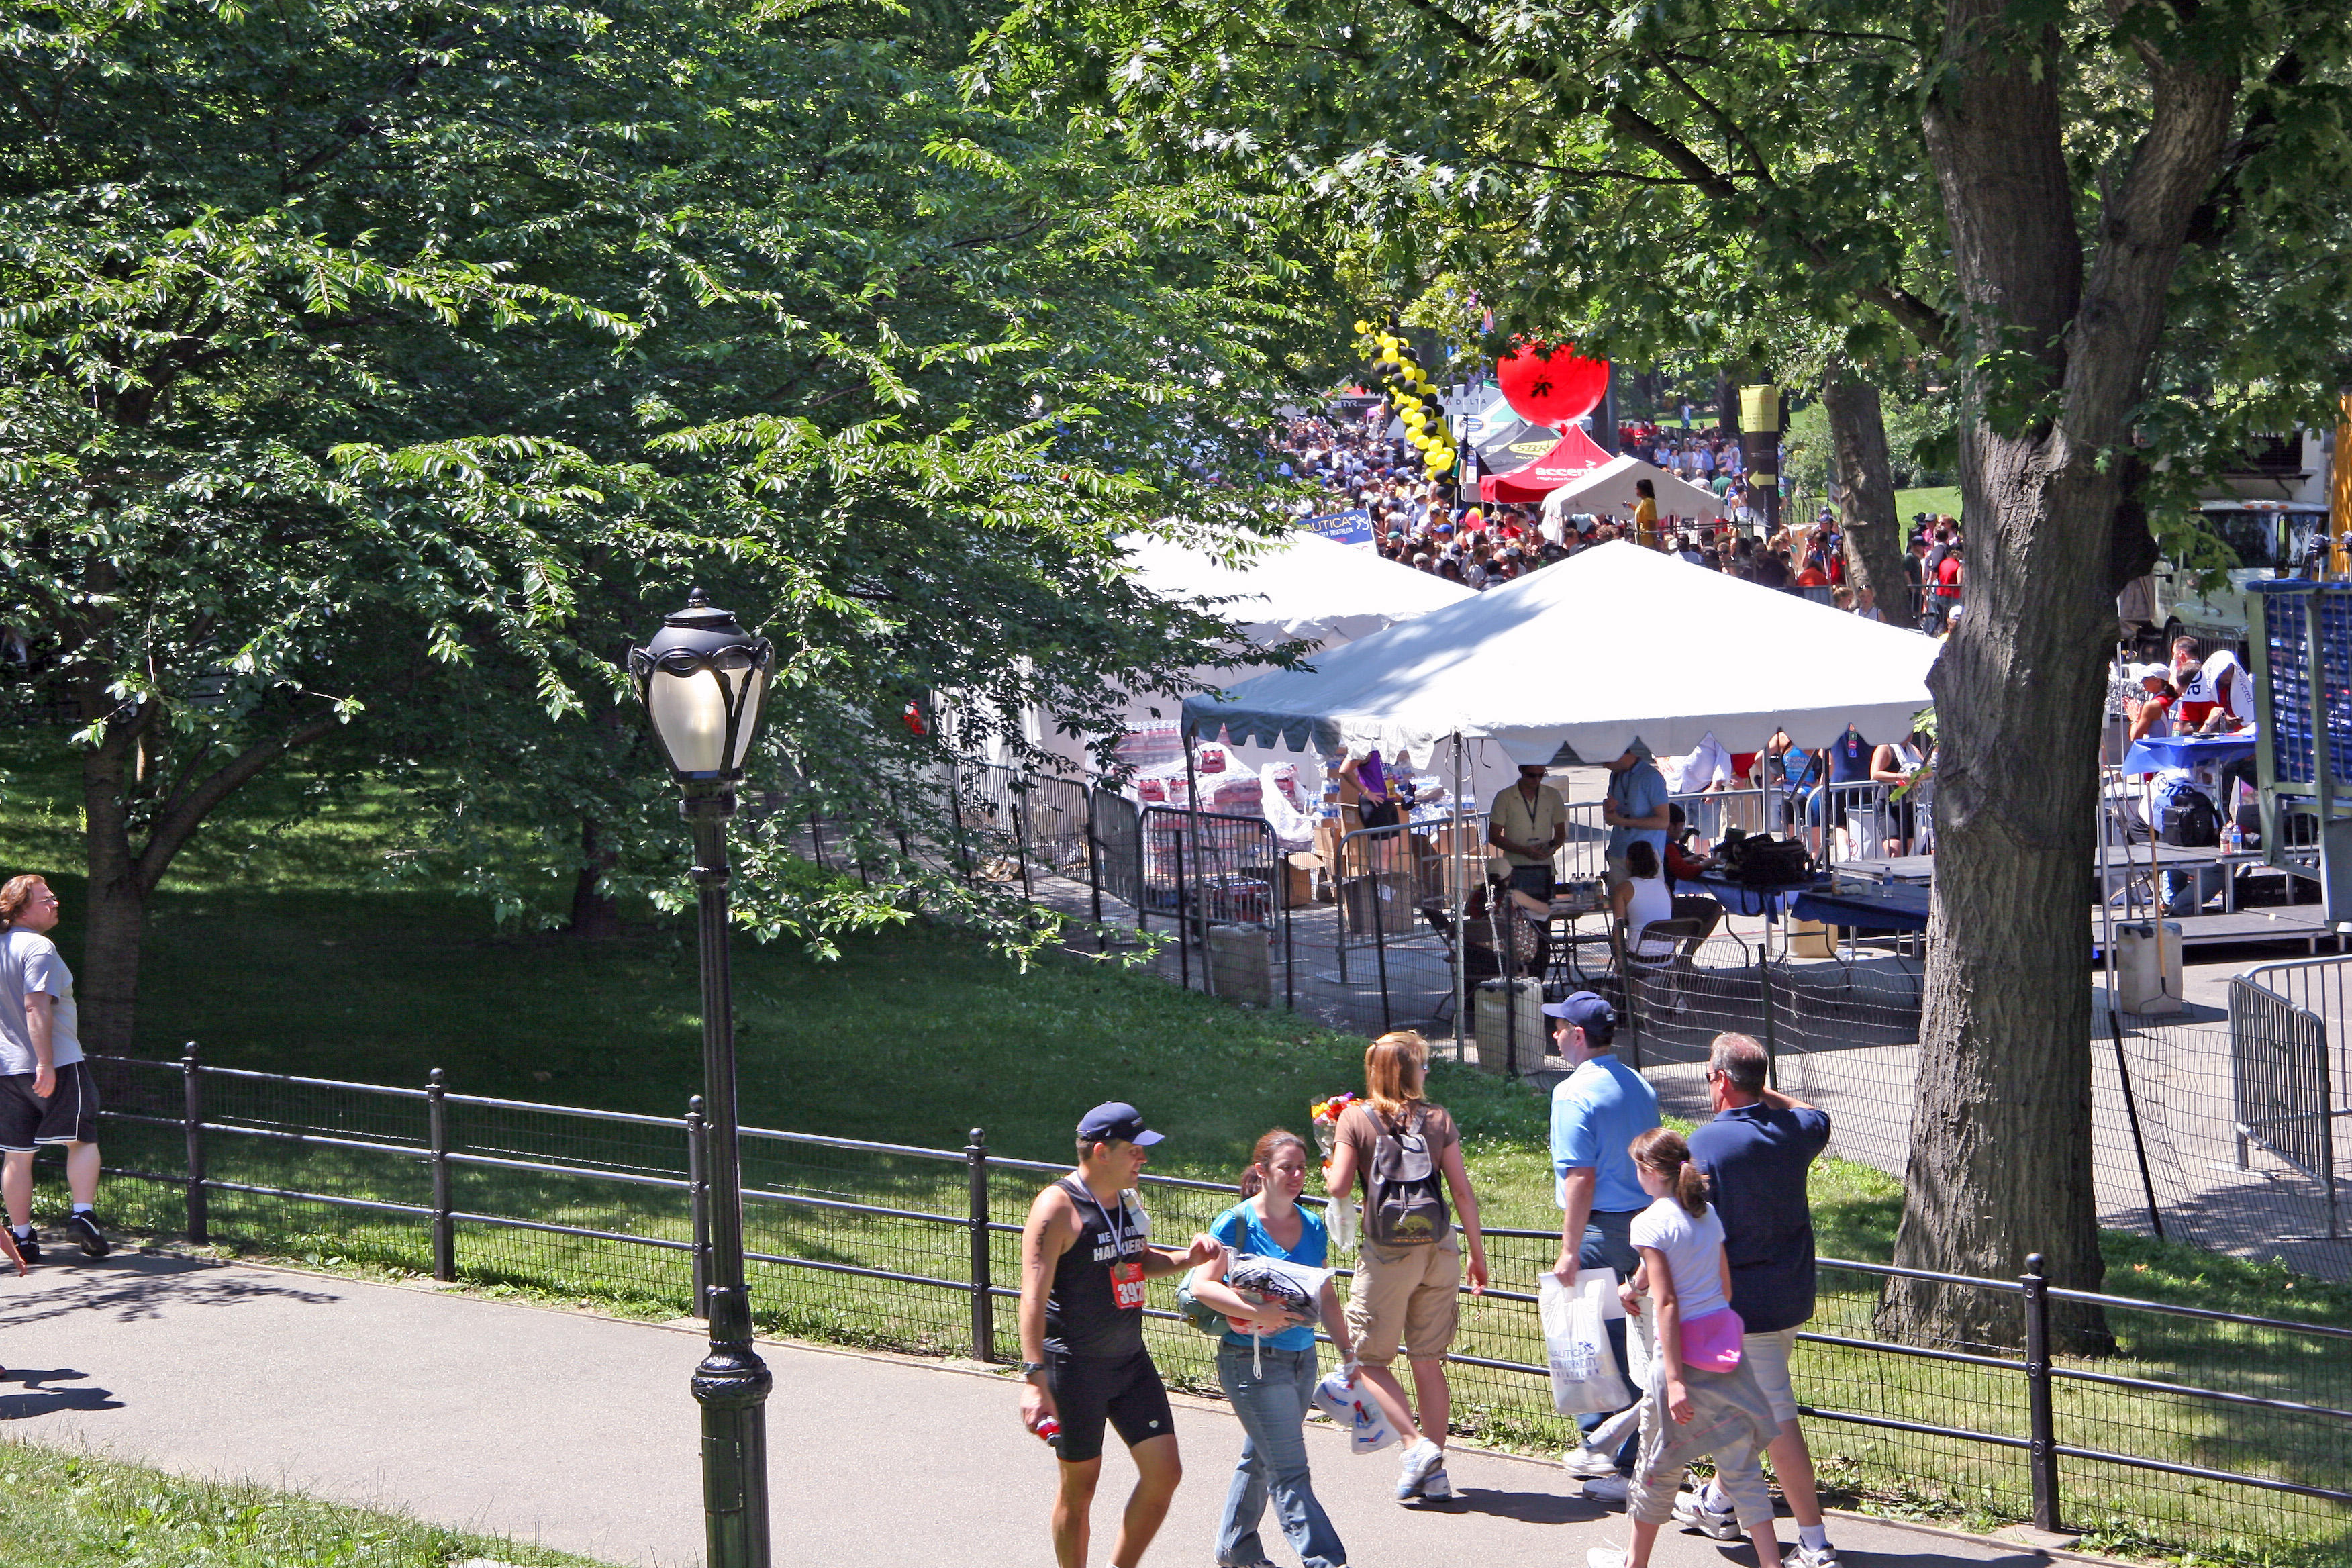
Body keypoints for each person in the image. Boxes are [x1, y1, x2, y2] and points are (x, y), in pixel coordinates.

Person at [1018, 1102, 1219, 1568]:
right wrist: (1033, 1379)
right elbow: (1031, 1295)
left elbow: (1137, 1259)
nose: (1143, 1159)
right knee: (1080, 1487)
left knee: (1165, 1473)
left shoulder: (1127, 1199)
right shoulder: (1058, 1207)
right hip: (1074, 1368)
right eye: (1134, 1150)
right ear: (1102, 1152)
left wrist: (1186, 1258)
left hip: (1128, 1361)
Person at [1672, 1035, 1839, 1567]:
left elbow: (1689, 1229)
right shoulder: (1795, 1132)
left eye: (1709, 1075)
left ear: (1720, 1080)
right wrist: (1760, 1089)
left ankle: (1814, 1543)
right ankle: (1718, 1503)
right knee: (1749, 1409)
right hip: (1790, 1296)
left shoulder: (1704, 1145)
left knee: (1774, 1418)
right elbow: (1813, 1111)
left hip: (1741, 1308)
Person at [1584, 1127, 1785, 1568]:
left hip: (1676, 1358)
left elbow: (1669, 1300)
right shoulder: (1706, 1214)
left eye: (1637, 1167)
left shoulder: (1649, 1223)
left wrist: (1674, 1381)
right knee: (1741, 1466)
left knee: (1657, 1466)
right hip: (1723, 1354)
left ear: (1650, 1172)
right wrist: (1634, 1286)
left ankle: (1635, 1564)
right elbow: (1723, 1288)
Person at [1324, 1030, 1489, 1504]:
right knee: (1427, 1360)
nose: (1428, 1071)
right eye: (1423, 1063)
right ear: (1406, 1071)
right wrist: (1476, 1255)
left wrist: (1330, 1160)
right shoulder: (1438, 1119)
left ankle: (1416, 1446)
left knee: (1369, 1359)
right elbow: (1460, 1191)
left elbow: (1337, 1187)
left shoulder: (1355, 1118)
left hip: (1387, 1255)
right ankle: (1435, 1473)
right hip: (1439, 1249)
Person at [1190, 1130, 1357, 1568]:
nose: (1298, 1176)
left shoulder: (1315, 1226)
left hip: (1302, 1360)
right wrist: (1256, 1313)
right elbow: (1203, 1286)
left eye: (1302, 1168)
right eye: (1288, 1168)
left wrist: (1348, 1351)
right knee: (1289, 1469)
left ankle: (1234, 1550)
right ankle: (1326, 1560)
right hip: (1251, 1363)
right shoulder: (1236, 1224)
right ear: (1262, 1171)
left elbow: (1326, 1295)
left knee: (1260, 1459)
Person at [1549, 991, 1662, 1500]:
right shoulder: (1641, 1085)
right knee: (1637, 1340)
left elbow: (1579, 1176)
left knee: (1590, 1344)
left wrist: (1570, 1249)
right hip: (1645, 1228)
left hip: (1598, 1234)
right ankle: (1634, 1450)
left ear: (1577, 1035)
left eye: (1559, 1028)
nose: (1553, 1035)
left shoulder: (1572, 1093)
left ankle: (1604, 1452)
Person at [0, 875, 107, 1261]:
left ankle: (23, 1237)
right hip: (56, 1062)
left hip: (6, 1069)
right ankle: (83, 1215)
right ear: (21, 909)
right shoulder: (39, 947)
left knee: (16, 1154)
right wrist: (45, 1063)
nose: (55, 903)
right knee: (81, 1139)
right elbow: (36, 1005)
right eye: (46, 900)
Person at [1488, 763, 1569, 903]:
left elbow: (1561, 834)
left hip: (1545, 869)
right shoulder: (1504, 796)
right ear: (1521, 771)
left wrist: (1551, 848)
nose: (1537, 780)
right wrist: (1524, 851)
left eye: (1541, 775)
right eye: (1531, 775)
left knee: (1543, 920)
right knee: (1515, 919)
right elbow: (1494, 837)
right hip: (1514, 870)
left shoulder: (1552, 795)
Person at [1601, 740, 1671, 891]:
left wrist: (1622, 821)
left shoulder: (1651, 777)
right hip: (1619, 853)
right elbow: (1610, 818)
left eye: (1606, 760)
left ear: (1618, 755)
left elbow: (1663, 822)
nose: (1604, 765)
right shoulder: (1615, 774)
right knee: (1621, 907)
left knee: (1649, 906)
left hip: (1645, 857)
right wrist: (1611, 811)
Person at [1624, 479, 1661, 551]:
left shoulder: (1648, 502)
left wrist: (1655, 540)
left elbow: (1651, 522)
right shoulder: (1644, 501)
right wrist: (1632, 506)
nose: (1635, 489)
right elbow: (1641, 513)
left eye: (1637, 488)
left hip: (1647, 540)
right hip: (1642, 538)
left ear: (1642, 489)